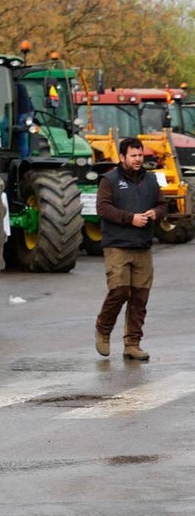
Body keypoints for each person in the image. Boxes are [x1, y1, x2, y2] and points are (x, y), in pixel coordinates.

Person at [94, 137, 166, 361]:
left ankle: (132, 344)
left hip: (142, 246)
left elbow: (163, 204)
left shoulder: (151, 180)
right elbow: (103, 208)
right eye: (133, 156)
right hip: (118, 245)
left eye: (140, 155)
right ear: (122, 157)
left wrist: (156, 213)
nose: (138, 160)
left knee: (139, 298)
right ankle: (103, 331)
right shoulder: (110, 180)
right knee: (119, 291)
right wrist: (130, 218)